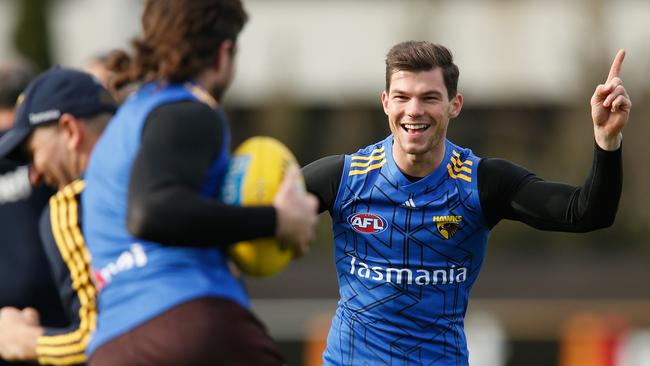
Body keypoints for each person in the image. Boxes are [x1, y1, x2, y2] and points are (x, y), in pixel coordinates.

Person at [302, 41, 630, 365]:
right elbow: (263, 213)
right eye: (402, 97)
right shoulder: (344, 177)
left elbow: (588, 213)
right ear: (386, 102)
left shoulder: (480, 182)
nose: (414, 110)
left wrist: (607, 139)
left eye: (429, 98)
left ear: (454, 105)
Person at [82, 0, 319, 365]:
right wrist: (278, 219)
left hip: (112, 346)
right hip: (189, 322)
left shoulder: (125, 122)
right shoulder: (189, 111)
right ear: (224, 53)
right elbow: (152, 212)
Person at [0, 67, 117, 365]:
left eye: (33, 152)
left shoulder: (70, 206)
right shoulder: (157, 170)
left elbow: (103, 339)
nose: (35, 176)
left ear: (70, 131)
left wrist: (23, 341)